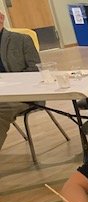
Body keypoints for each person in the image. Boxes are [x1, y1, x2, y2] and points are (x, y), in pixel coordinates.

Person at [0, 10, 41, 150]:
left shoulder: (21, 40)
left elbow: (35, 70)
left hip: (21, 95)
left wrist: (10, 83)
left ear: (1, 18)